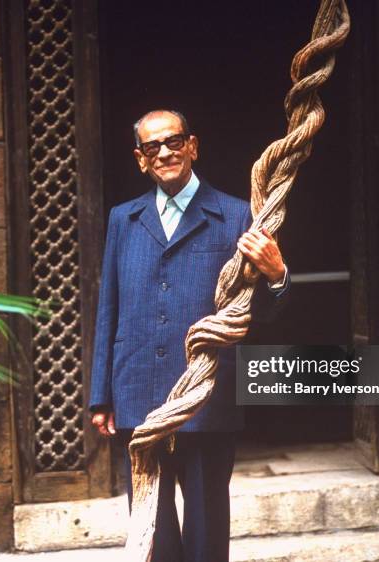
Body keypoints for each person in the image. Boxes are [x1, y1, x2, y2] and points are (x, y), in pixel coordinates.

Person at [89, 109, 289, 562]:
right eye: (152, 147)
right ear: (141, 159)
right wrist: (102, 395)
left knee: (206, 528)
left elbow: (263, 313)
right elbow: (110, 308)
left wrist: (278, 274)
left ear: (192, 146)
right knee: (152, 527)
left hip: (206, 393)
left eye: (173, 141)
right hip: (139, 392)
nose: (164, 152)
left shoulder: (238, 216)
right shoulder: (124, 219)